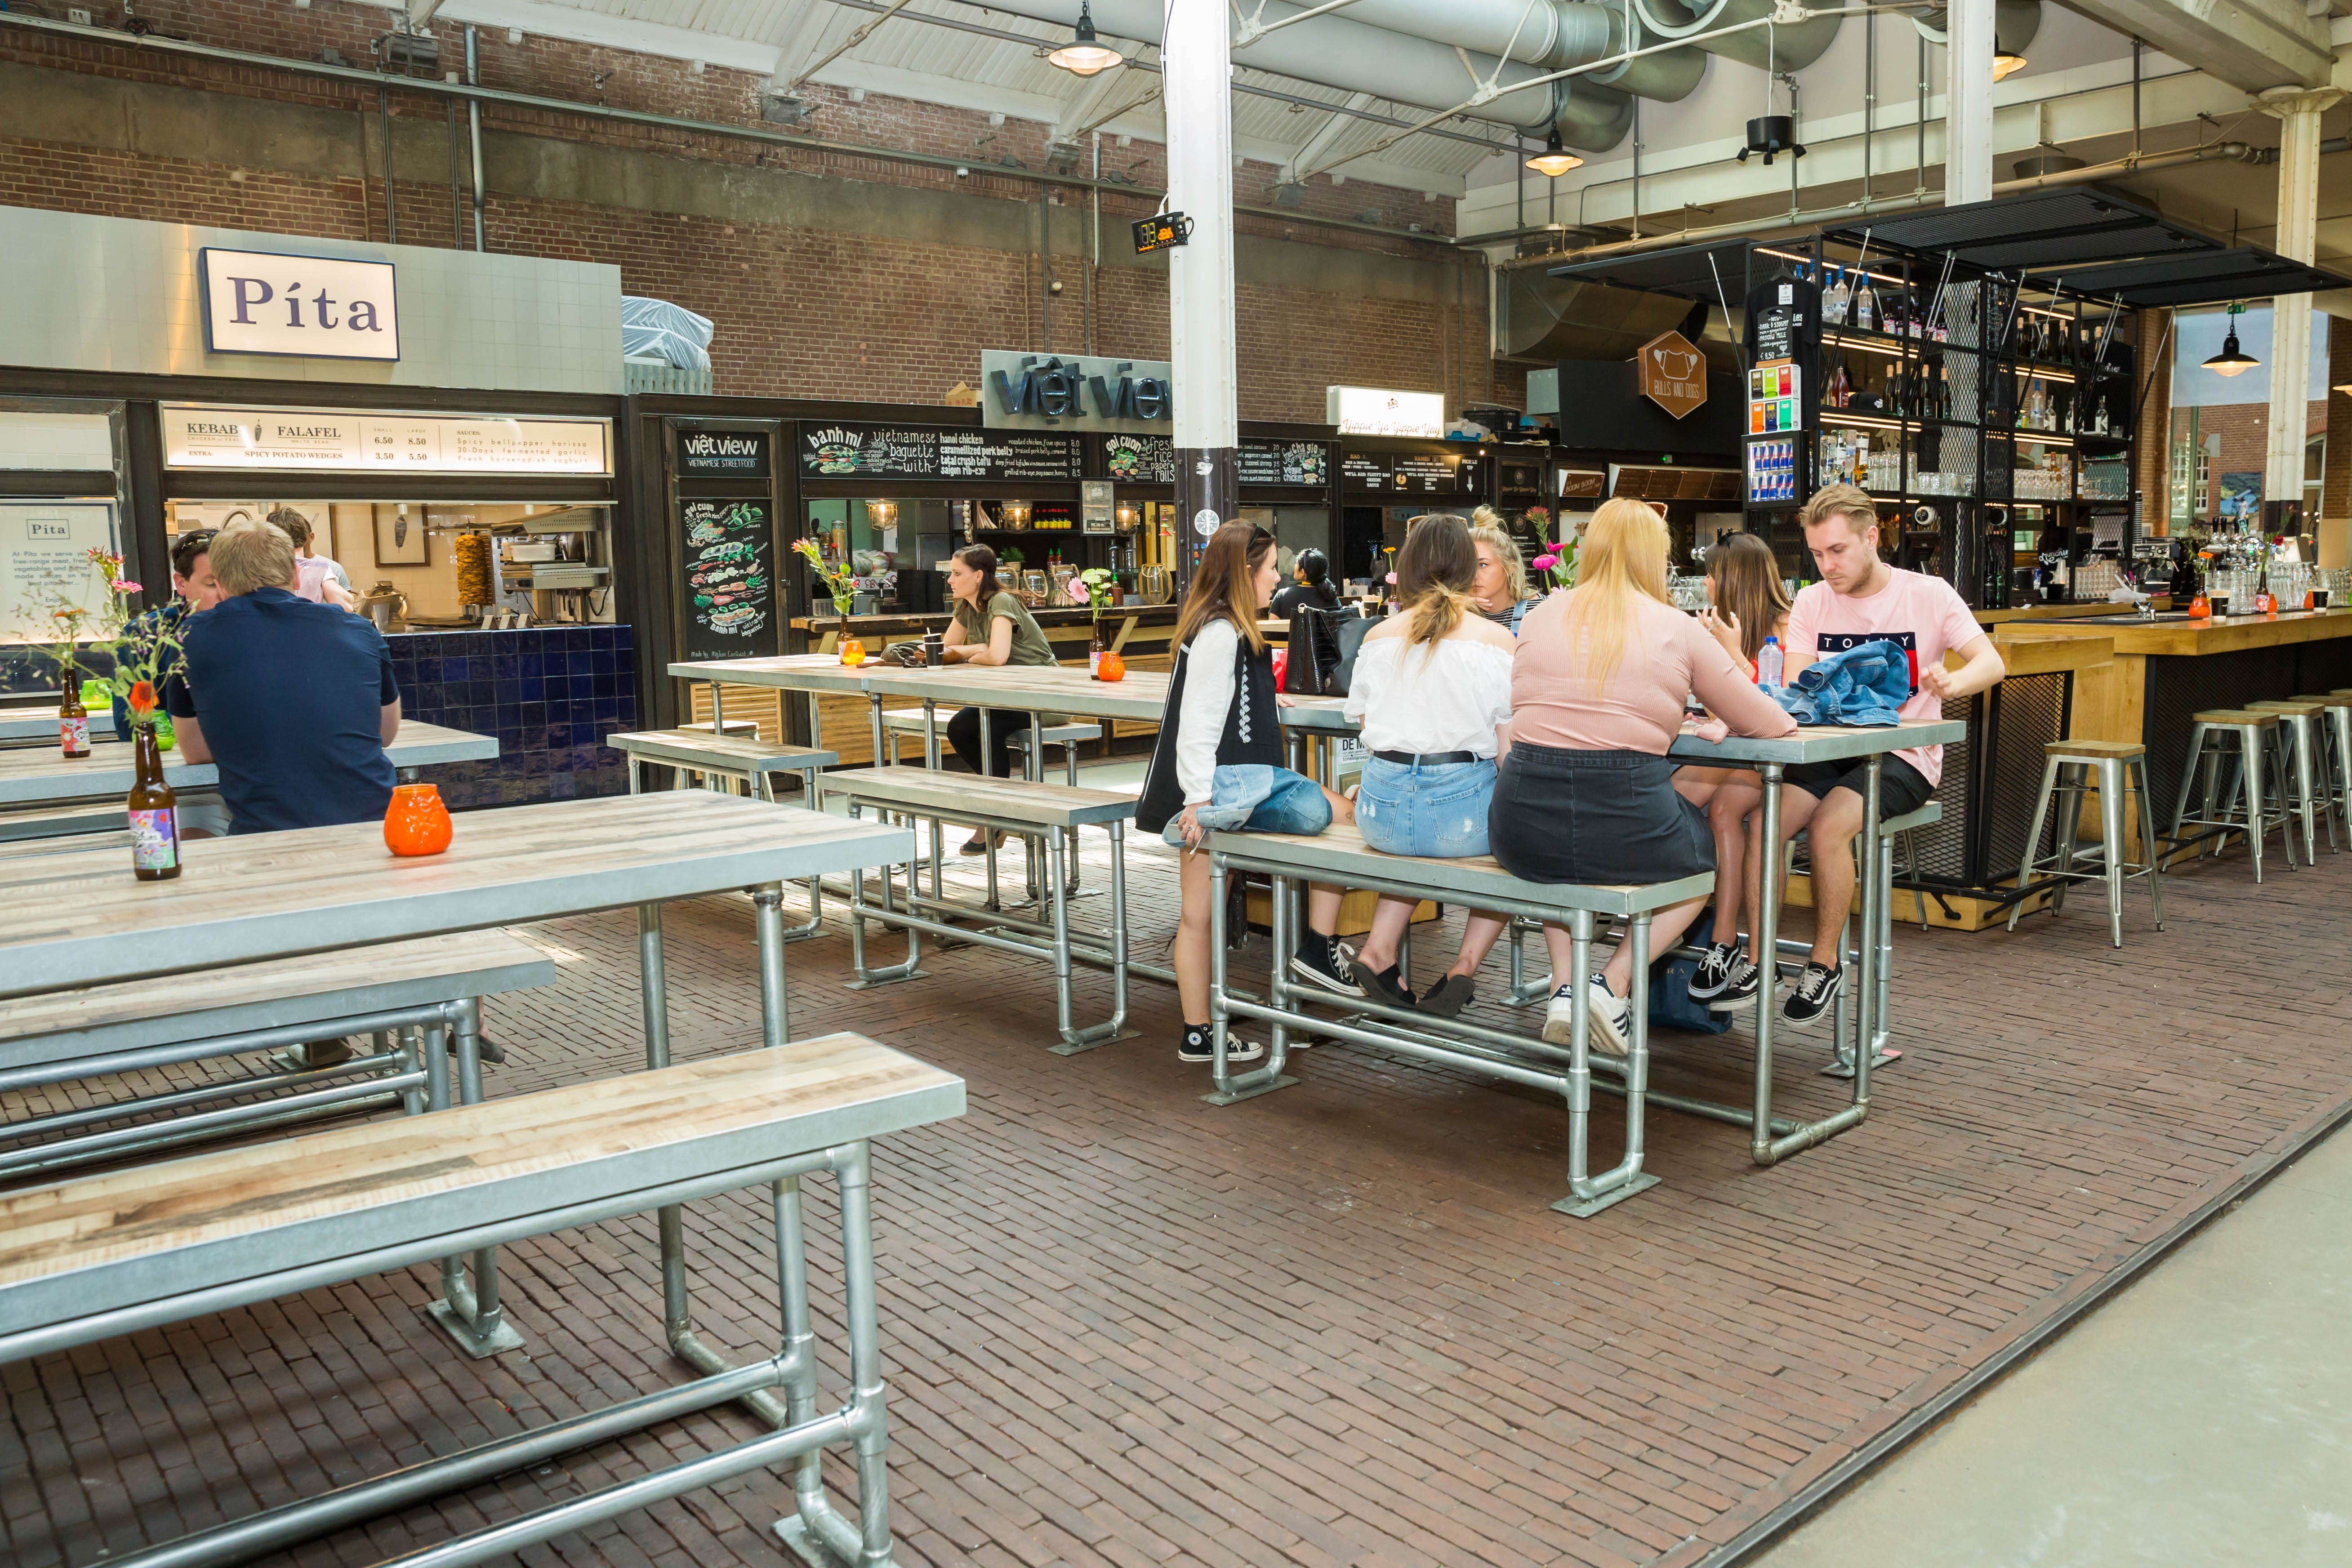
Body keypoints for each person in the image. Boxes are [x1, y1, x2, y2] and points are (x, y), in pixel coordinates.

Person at [1487, 498, 1796, 1055]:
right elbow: (1771, 722)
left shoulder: (1537, 616)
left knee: (1555, 871)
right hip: (1626, 816)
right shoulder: (1676, 627)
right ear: (1657, 557)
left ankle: (1565, 987)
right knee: (1703, 869)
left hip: (1521, 822)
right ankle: (1613, 982)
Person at [1716, 485, 2006, 1026]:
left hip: (1905, 752)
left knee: (1829, 828)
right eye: (1818, 554)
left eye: (1838, 551)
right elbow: (1801, 687)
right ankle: (1760, 960)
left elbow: (1992, 663)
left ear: (1872, 538)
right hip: (1829, 749)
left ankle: (1825, 964)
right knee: (1764, 822)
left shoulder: (1930, 593)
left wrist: (1955, 680)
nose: (1827, 566)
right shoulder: (1810, 600)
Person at [1136, 522, 1354, 1066]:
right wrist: (1196, 800)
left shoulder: (1218, 627)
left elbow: (1217, 706)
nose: (1278, 577)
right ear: (1244, 572)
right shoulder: (1223, 632)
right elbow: (1199, 722)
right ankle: (1317, 948)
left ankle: (1198, 1031)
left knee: (1198, 916)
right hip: (1228, 791)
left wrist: (1264, 704)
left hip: (1221, 790)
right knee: (1348, 815)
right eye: (1271, 567)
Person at [1333, 513, 1516, 1016]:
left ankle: (1379, 948)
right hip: (1459, 820)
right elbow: (1507, 753)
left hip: (1382, 817)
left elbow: (1367, 725)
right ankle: (1463, 966)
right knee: (1517, 844)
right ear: (1466, 568)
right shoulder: (1497, 641)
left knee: (1414, 831)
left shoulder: (1376, 637)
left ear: (1407, 569)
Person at [166, 519, 401, 834]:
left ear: (220, 584)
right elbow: (384, 734)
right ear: (295, 573)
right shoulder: (358, 629)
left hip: (268, 836)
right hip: (379, 830)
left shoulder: (189, 638)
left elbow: (196, 754)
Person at [1673, 532, 1793, 1002]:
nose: (1705, 583)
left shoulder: (1787, 625)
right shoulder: (1718, 624)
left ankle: (1714, 932)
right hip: (1737, 752)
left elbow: (1781, 704)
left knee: (1694, 799)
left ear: (1733, 578)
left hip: (1783, 759)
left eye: (1713, 574)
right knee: (1703, 801)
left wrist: (1732, 654)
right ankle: (1718, 936)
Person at [939, 544, 1059, 854]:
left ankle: (996, 816)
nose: (950, 580)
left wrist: (975, 651)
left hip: (1047, 696)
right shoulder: (967, 607)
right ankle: (1002, 805)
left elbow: (997, 656)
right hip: (1011, 697)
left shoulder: (1001, 600)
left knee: (986, 727)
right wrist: (976, 649)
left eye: (956, 573)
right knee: (961, 727)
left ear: (978, 576)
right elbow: (944, 653)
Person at [107, 528, 223, 737]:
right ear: (181, 583)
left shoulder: (252, 628)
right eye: (212, 584)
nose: (226, 593)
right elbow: (131, 722)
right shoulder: (144, 634)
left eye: (232, 581)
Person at [268, 507, 356, 610]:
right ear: (305, 535)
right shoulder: (319, 569)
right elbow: (346, 607)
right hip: (310, 623)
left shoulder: (263, 568)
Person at [1467, 509, 1541, 633]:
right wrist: (1458, 608)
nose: (1473, 575)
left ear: (1510, 567)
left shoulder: (1537, 610)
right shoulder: (1458, 611)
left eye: (1483, 564)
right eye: (1467, 566)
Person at [1270, 547, 1339, 619]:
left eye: (1296, 564)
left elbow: (1272, 626)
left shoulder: (1282, 595)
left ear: (1302, 572)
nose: (1295, 566)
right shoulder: (1331, 595)